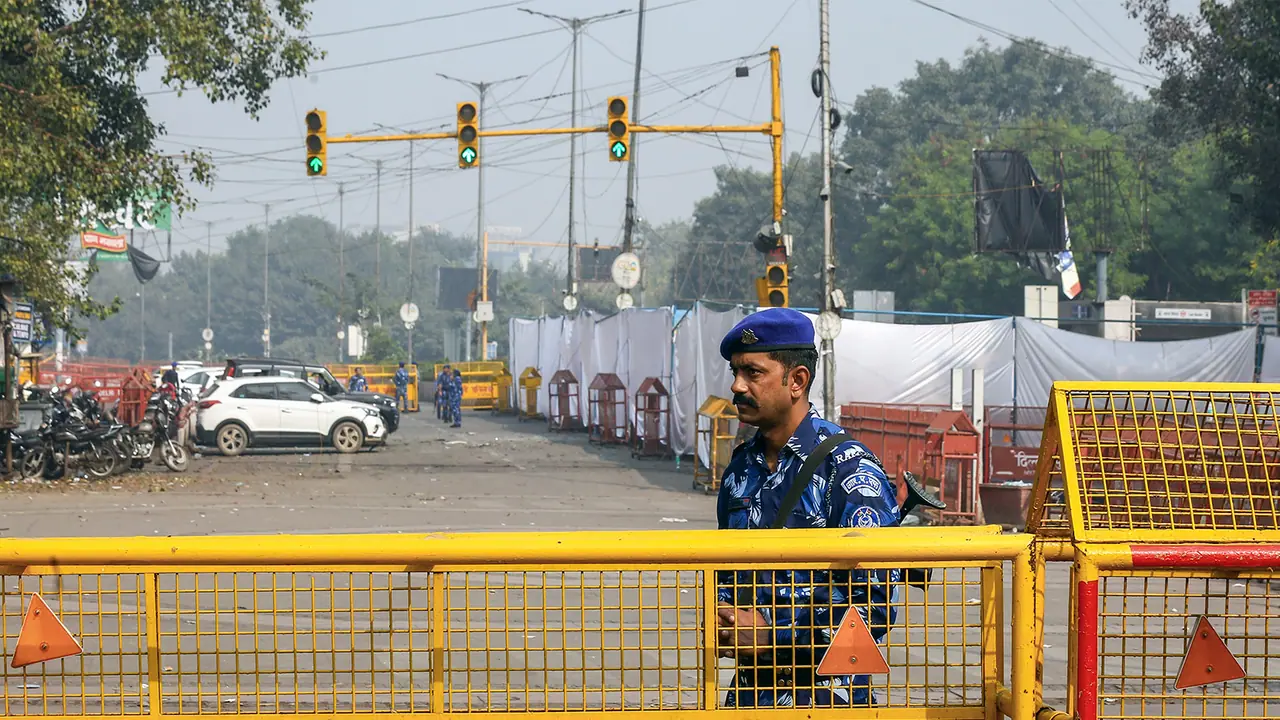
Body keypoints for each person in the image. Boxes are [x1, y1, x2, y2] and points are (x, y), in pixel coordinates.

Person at [714, 307, 901, 709]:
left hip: (824, 703)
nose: (736, 386)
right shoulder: (740, 469)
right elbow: (727, 571)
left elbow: (876, 604)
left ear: (797, 380)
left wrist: (770, 635)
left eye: (752, 373)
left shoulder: (848, 468)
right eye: (735, 372)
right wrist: (726, 618)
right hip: (748, 698)